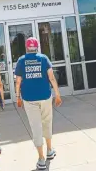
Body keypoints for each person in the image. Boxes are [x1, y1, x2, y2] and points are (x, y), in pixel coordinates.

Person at [15, 37, 63, 170]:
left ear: (26, 47)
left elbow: (18, 82)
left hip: (29, 99)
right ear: (37, 47)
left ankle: (41, 159)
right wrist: (57, 95)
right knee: (47, 122)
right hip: (45, 96)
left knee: (36, 126)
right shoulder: (44, 58)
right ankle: (49, 150)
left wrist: (17, 97)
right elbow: (51, 78)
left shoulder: (21, 61)